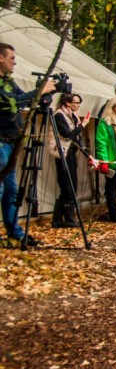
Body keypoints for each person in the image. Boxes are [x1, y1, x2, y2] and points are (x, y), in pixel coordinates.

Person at [0, 43, 57, 246]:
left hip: (10, 143)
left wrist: (42, 95)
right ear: (1, 58)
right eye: (12, 58)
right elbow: (14, 102)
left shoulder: (8, 82)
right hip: (0, 143)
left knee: (11, 191)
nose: (14, 63)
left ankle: (14, 230)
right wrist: (40, 90)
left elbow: (24, 99)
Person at [51, 93, 91, 228]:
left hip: (72, 152)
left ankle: (60, 218)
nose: (78, 105)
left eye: (79, 103)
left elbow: (77, 138)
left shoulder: (72, 116)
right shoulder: (59, 115)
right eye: (76, 102)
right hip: (63, 152)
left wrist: (88, 154)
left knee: (71, 184)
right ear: (67, 103)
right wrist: (83, 125)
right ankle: (66, 217)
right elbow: (68, 135)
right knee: (67, 184)